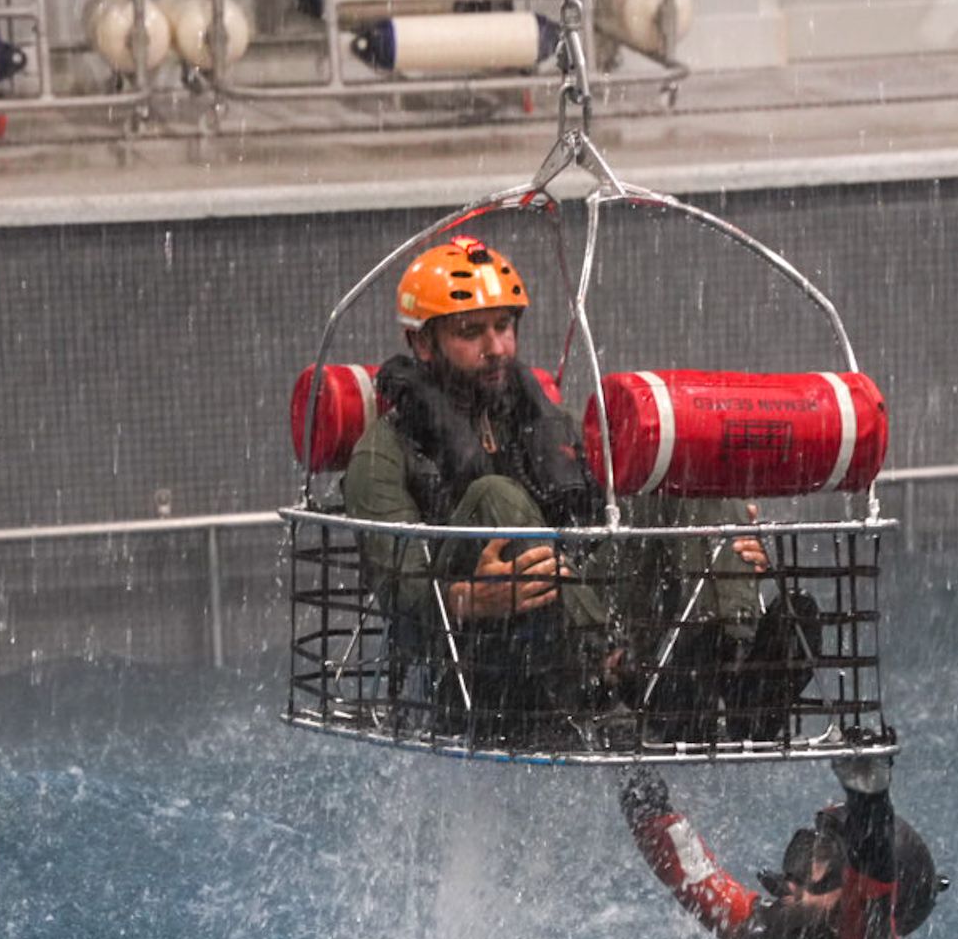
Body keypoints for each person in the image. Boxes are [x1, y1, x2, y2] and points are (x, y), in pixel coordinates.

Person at [341, 234, 810, 744]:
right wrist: (473, 599)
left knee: (672, 477)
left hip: (579, 629)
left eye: (503, 327)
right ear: (422, 344)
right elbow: (401, 594)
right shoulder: (381, 454)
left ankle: (734, 666)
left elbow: (605, 526)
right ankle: (608, 669)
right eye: (470, 333)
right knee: (498, 495)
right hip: (478, 668)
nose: (496, 348)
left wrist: (725, 540)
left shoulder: (547, 425)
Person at [619, 752, 950, 939]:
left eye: (825, 863)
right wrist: (628, 756)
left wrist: (870, 802)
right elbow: (687, 867)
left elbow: (871, 903)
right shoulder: (772, 926)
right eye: (807, 850)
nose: (798, 873)